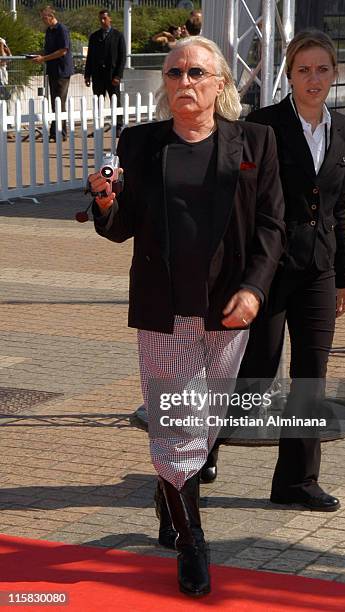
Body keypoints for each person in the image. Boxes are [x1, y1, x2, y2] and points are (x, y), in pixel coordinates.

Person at [88, 36, 285, 597]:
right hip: (163, 312)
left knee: (205, 422)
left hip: (227, 311)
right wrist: (105, 202)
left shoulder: (255, 142)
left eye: (196, 72)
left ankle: (168, 492)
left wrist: (253, 290)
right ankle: (192, 542)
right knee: (178, 424)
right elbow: (122, 223)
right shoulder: (141, 143)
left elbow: (272, 226)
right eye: (174, 74)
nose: (184, 83)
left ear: (220, 82)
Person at [236, 30, 345, 512]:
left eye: (322, 69)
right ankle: (199, 458)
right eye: (303, 69)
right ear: (288, 74)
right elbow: (243, 205)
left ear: (335, 73)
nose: (314, 78)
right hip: (268, 270)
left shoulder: (342, 128)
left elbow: (339, 205)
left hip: (319, 271)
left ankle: (296, 481)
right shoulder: (261, 125)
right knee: (256, 373)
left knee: (311, 377)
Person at [32, 6, 73, 142]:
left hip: (62, 70)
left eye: (44, 18)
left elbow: (63, 50)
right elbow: (49, 50)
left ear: (50, 16)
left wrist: (43, 59)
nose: (43, 21)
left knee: (59, 102)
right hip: (53, 70)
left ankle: (59, 132)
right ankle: (56, 132)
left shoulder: (62, 29)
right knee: (55, 102)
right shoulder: (49, 31)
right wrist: (40, 55)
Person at [85, 9, 126, 137]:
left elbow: (122, 57)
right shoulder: (94, 36)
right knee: (98, 101)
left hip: (112, 75)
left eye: (104, 18)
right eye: (101, 19)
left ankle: (118, 126)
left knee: (115, 101)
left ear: (110, 19)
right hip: (98, 76)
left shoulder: (118, 36)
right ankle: (98, 126)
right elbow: (90, 57)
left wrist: (118, 75)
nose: (102, 21)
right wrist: (87, 74)